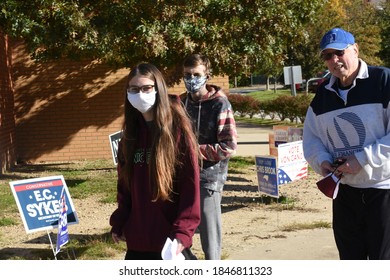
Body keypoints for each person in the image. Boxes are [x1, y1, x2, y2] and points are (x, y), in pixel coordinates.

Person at [303, 27, 390, 260]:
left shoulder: (383, 80)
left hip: (383, 190)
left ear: (355, 50)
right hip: (345, 194)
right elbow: (312, 138)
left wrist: (362, 159)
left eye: (339, 52)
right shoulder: (323, 94)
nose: (334, 60)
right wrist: (322, 162)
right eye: (327, 55)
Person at [109, 63, 201, 260]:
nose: (140, 94)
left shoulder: (177, 131)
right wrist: (120, 221)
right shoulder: (129, 136)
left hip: (169, 244)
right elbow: (125, 186)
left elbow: (189, 189)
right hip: (137, 243)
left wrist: (182, 233)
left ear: (158, 89)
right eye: (133, 89)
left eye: (146, 88)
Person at [181, 53, 237, 260]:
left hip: (209, 178)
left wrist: (196, 150)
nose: (191, 78)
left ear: (207, 75)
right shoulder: (180, 103)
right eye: (187, 74)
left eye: (196, 74)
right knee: (179, 228)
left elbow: (229, 146)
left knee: (209, 233)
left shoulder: (219, 105)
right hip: (182, 175)